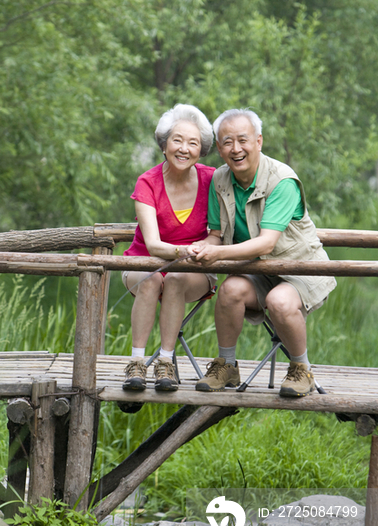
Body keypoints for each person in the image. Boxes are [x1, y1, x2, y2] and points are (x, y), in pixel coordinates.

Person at [187, 108, 337, 397]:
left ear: (259, 141)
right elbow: (216, 235)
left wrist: (218, 255)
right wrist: (204, 247)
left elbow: (267, 243)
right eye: (227, 142)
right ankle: (226, 366)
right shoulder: (219, 180)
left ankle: (301, 370)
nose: (236, 148)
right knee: (229, 290)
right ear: (219, 148)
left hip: (300, 269)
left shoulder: (282, 180)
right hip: (259, 271)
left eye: (242, 140)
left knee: (279, 301)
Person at [122, 104, 216, 393]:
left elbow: (219, 234)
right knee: (154, 279)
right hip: (144, 263)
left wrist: (204, 247)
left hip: (193, 270)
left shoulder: (213, 179)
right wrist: (183, 250)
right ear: (164, 145)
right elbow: (151, 244)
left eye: (193, 143)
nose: (184, 148)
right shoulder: (147, 182)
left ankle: (166, 363)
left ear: (201, 150)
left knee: (173, 279)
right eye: (177, 140)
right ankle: (137, 363)